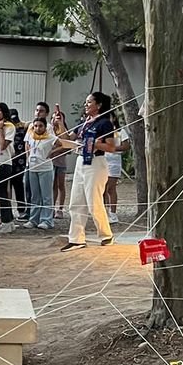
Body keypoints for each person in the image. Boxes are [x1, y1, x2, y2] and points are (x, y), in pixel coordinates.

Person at [59, 91, 116, 250]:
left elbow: (111, 147)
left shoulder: (105, 123)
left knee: (94, 202)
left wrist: (94, 144)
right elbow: (69, 137)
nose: (86, 105)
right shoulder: (84, 122)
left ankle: (106, 234)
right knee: (76, 201)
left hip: (96, 163)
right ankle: (76, 238)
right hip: (81, 161)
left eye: (89, 102)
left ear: (98, 105)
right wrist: (60, 123)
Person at [23, 115, 60, 230]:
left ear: (45, 127)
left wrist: (53, 153)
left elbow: (62, 145)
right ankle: (34, 219)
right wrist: (28, 157)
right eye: (35, 126)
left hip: (45, 169)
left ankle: (47, 220)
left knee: (46, 196)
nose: (38, 128)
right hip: (32, 168)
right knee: (35, 196)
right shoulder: (30, 135)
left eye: (40, 126)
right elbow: (27, 146)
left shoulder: (50, 137)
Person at [0, 103, 16, 228]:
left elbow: (2, 145)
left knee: (1, 192)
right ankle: (6, 219)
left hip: (3, 162)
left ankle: (7, 221)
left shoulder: (9, 126)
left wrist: (0, 129)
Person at [103, 118, 128, 225]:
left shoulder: (121, 132)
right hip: (102, 161)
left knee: (110, 188)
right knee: (102, 188)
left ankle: (113, 213)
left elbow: (126, 146)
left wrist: (112, 148)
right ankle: (103, 213)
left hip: (114, 162)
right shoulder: (102, 131)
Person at [50, 104, 69, 218]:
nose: (55, 120)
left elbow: (66, 144)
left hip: (61, 162)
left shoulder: (64, 130)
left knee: (61, 185)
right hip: (51, 162)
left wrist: (56, 150)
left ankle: (60, 209)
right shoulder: (48, 129)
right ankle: (51, 207)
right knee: (53, 186)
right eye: (53, 118)